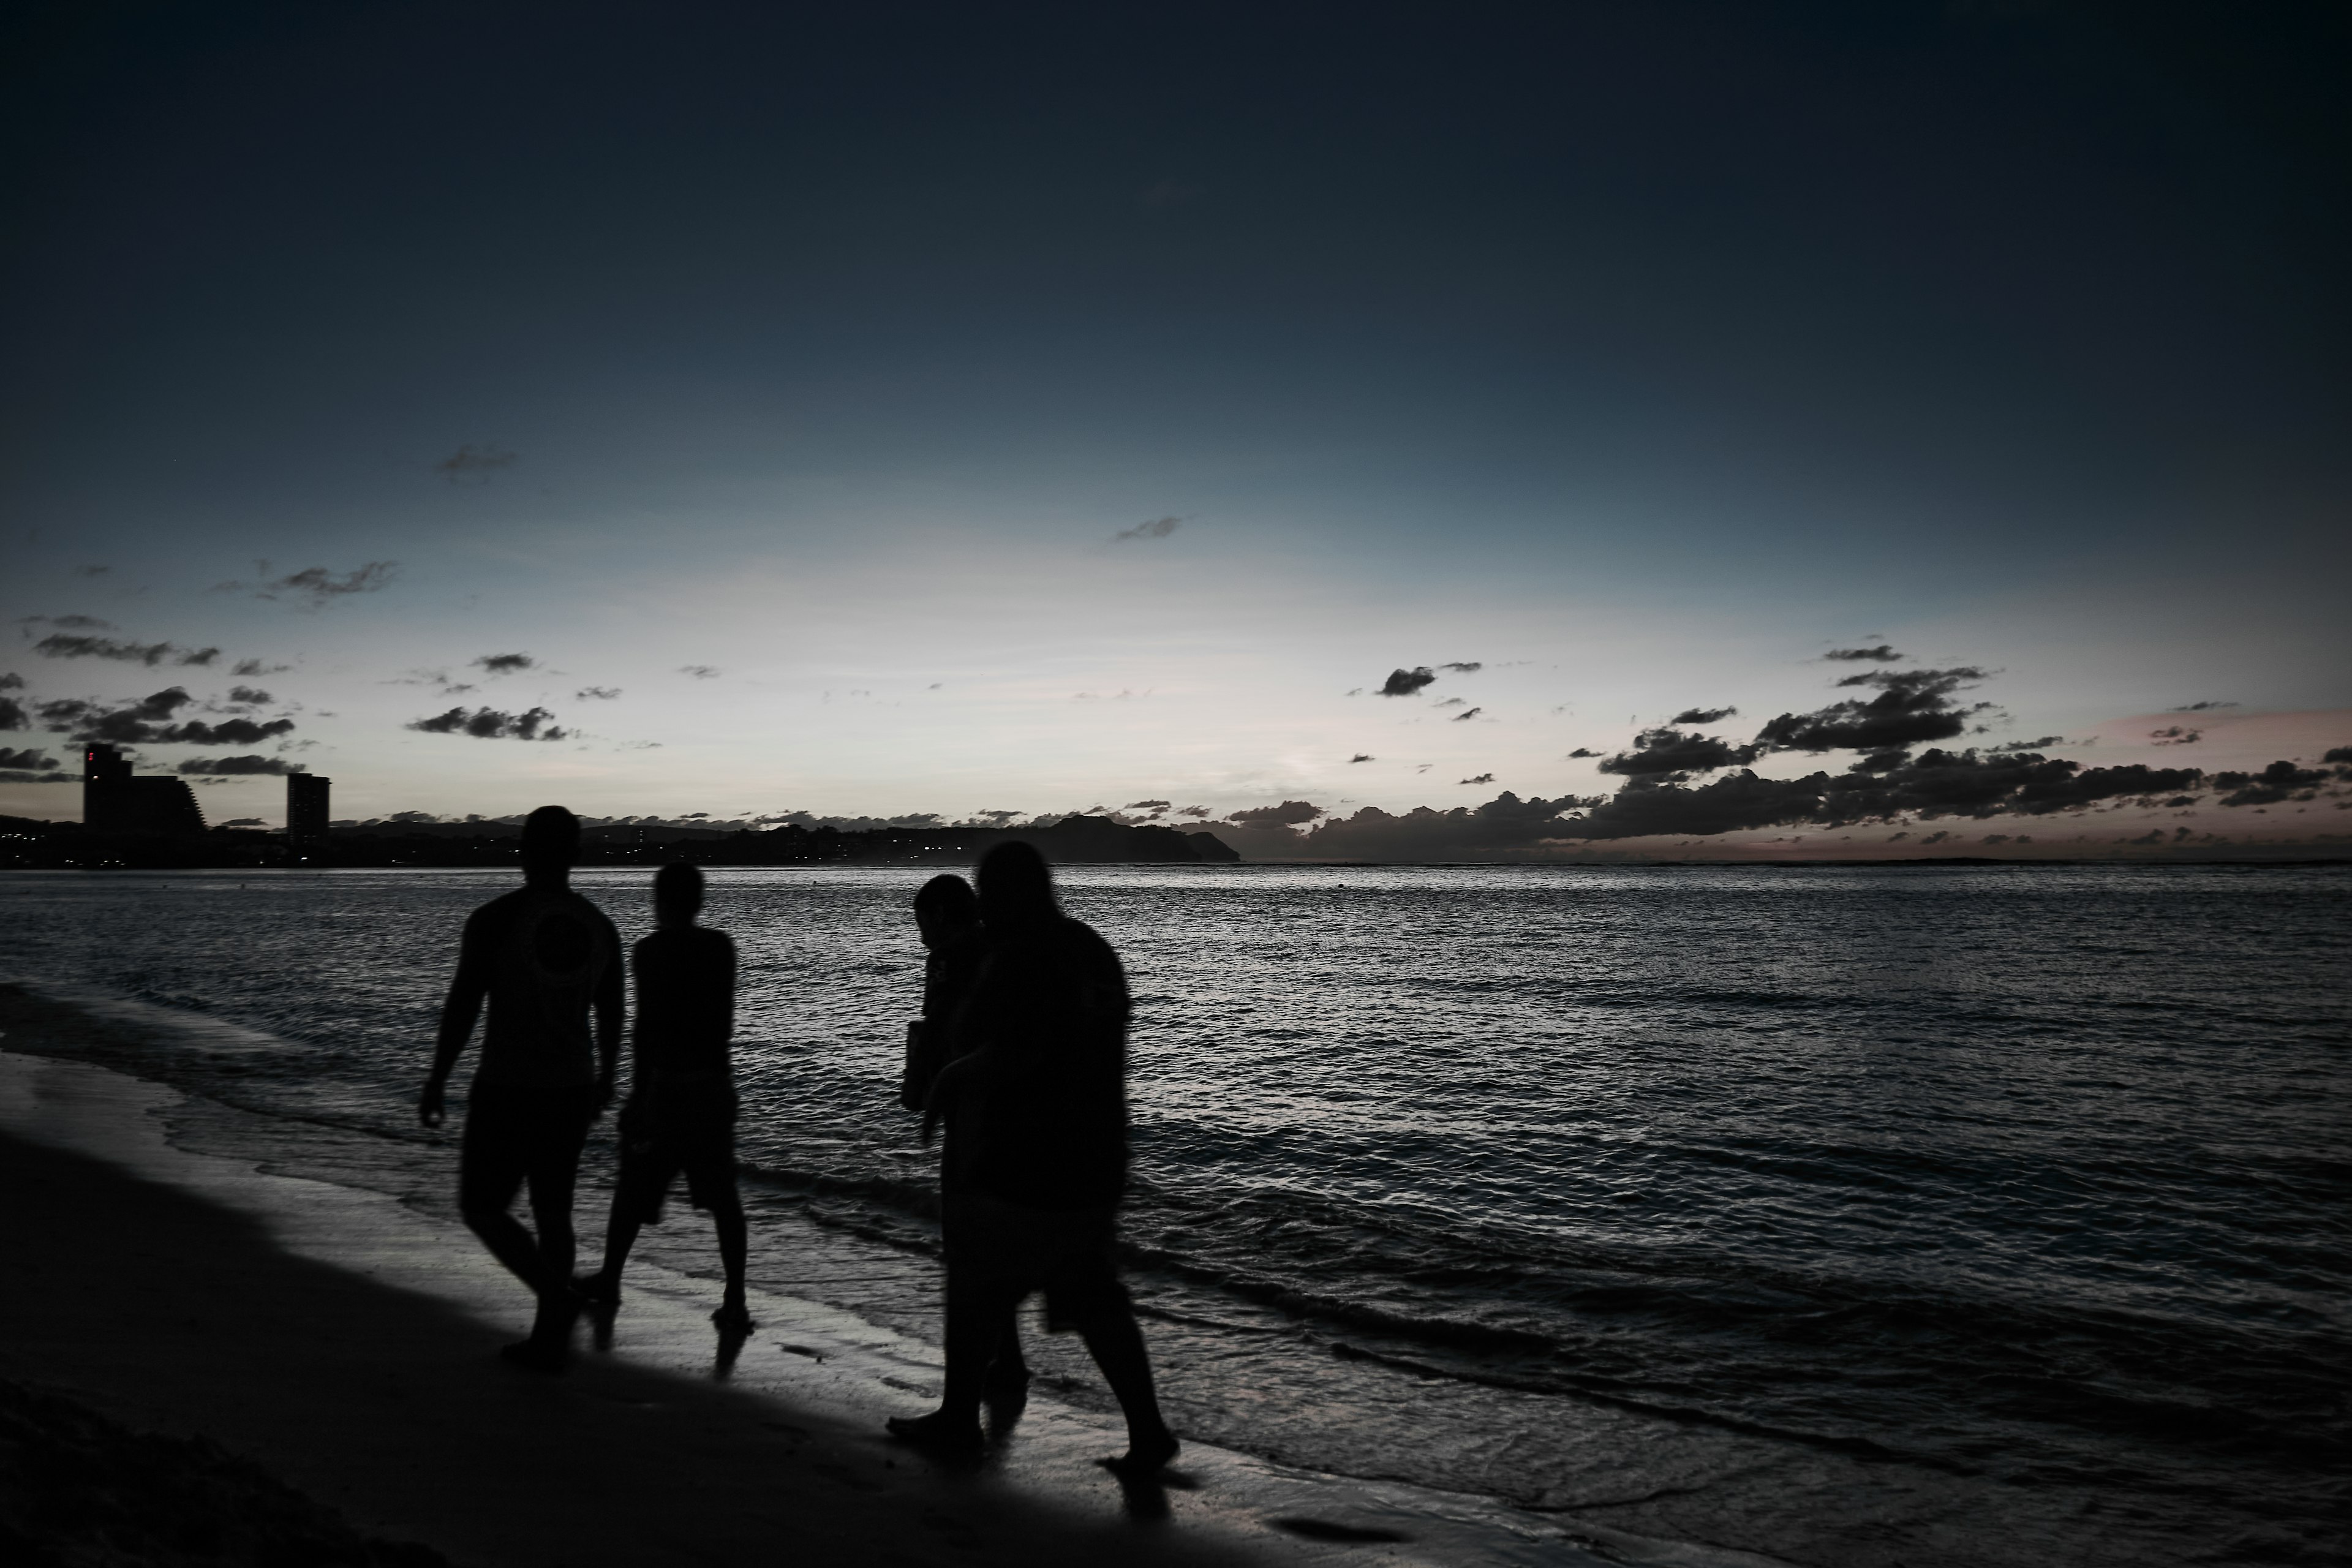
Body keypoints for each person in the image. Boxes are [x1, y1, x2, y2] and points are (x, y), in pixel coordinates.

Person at [888, 842, 1178, 1472]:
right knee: (1093, 1294)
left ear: (1008, 895)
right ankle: (1149, 1429)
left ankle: (960, 1418)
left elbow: (1019, 1051)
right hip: (1097, 1154)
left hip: (1028, 1158)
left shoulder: (1023, 955)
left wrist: (947, 1081)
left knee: (974, 1281)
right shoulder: (1092, 949)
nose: (984, 910)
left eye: (989, 895)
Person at [420, 805, 622, 1371]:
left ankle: (554, 1301)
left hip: (510, 1083)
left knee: (483, 1205)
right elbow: (612, 1010)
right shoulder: (600, 926)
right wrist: (607, 1075)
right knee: (553, 1210)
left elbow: (465, 1004)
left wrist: (438, 1076)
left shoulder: (496, 919)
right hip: (572, 1085)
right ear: (576, 856)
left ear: (524, 852)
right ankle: (548, 1331)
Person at [576, 862, 750, 1333]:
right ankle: (735, 1298)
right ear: (698, 901)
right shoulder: (720, 948)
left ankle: (611, 1278)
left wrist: (635, 1093)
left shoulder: (649, 951)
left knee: (634, 1188)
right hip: (713, 1086)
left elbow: (646, 1027)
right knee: (722, 1199)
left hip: (670, 1089)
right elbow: (719, 1021)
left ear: (659, 900)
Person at [898, 873, 1031, 1403]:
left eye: (923, 922)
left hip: (971, 1115)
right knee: (992, 1247)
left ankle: (975, 1388)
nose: (921, 935)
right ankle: (1008, 1362)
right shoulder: (1006, 951)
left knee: (967, 1248)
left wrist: (926, 1092)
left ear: (941, 915)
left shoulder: (951, 960)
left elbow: (940, 1029)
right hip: (1011, 1114)